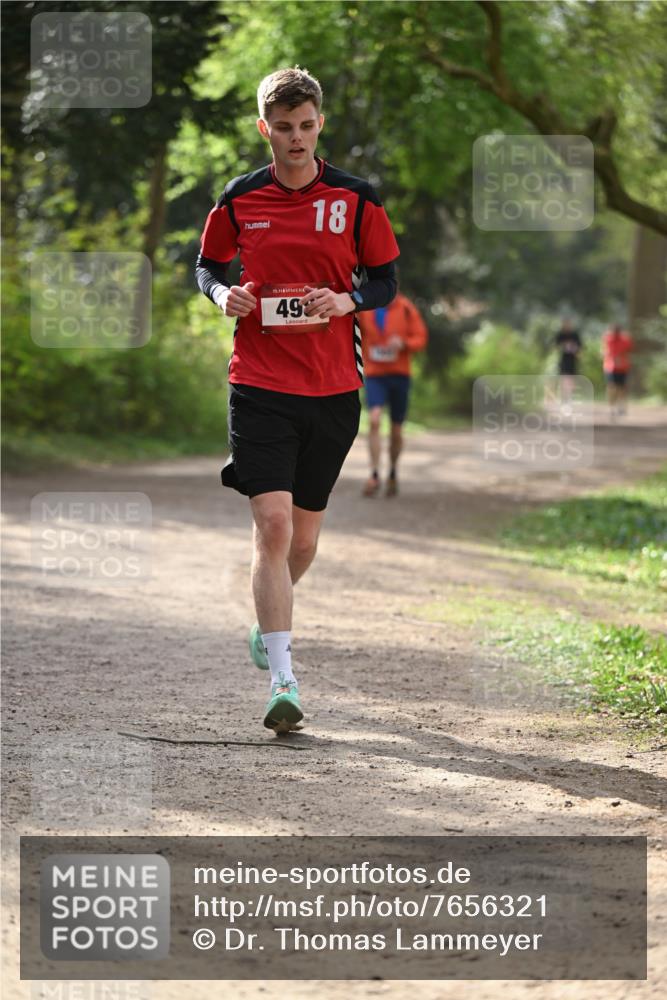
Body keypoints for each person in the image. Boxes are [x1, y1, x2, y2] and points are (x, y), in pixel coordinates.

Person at [195, 67, 399, 732]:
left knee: (303, 540)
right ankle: (283, 679)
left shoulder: (355, 198)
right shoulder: (239, 199)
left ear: (319, 125)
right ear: (264, 129)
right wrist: (224, 295)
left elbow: (385, 281)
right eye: (282, 127)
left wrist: (346, 298)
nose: (295, 138)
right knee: (274, 526)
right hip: (258, 382)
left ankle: (266, 622)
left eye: (305, 125)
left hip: (333, 386)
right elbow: (207, 266)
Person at [358, 293, 428, 496]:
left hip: (400, 375)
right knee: (374, 419)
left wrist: (404, 343)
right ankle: (373, 474)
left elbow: (421, 338)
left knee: (397, 430)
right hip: (375, 375)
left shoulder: (406, 308)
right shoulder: (365, 306)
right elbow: (354, 333)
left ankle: (393, 472)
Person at [602, 323, 634, 419]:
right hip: (610, 367)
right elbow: (606, 350)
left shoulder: (625, 340)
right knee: (611, 387)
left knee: (621, 387)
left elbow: (629, 349)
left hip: (622, 367)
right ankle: (611, 407)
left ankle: (621, 406)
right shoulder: (608, 339)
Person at [555, 318, 582, 404]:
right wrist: (563, 346)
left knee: (571, 379)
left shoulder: (575, 335)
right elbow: (556, 346)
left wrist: (575, 349)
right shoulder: (560, 335)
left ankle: (570, 396)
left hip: (573, 360)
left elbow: (580, 347)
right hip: (563, 359)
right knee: (563, 378)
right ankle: (563, 397)